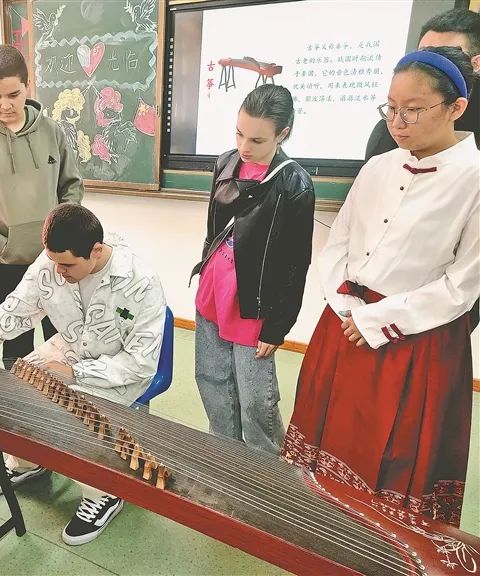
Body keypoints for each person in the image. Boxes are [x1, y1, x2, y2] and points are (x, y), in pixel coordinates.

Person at [283, 47, 479, 528]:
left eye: (413, 109)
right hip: (344, 324)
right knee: (329, 437)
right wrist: (347, 304)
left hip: (415, 339)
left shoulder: (474, 179)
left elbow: (464, 284)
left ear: (456, 107)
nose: (398, 120)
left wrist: (376, 320)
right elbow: (339, 244)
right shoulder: (378, 167)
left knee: (395, 454)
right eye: (390, 107)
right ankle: (324, 531)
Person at [0, 204, 167, 546]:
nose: (58, 271)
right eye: (54, 262)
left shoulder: (139, 282)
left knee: (71, 412)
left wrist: (74, 371)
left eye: (67, 265)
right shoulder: (51, 263)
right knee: (20, 386)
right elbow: (18, 306)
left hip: (116, 369)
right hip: (69, 347)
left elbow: (141, 363)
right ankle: (28, 463)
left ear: (96, 251)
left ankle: (104, 493)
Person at [190, 84, 315, 454]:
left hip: (255, 305)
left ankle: (266, 477)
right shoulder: (225, 161)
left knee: (255, 400)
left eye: (258, 140)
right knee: (212, 383)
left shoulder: (295, 183)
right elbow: (213, 228)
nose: (245, 146)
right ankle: (226, 463)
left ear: (283, 133)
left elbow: (297, 262)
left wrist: (279, 327)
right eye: (240, 133)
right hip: (214, 292)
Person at [0, 44, 84, 360]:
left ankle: (59, 404)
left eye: (13, 94)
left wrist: (66, 238)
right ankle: (18, 406)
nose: (5, 104)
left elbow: (71, 186)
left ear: (27, 86)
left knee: (62, 335)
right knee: (15, 338)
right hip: (4, 261)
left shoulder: (51, 131)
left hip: (55, 258)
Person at [365, 8, 480, 159]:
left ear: (476, 63)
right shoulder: (388, 134)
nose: (429, 66)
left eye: (446, 57)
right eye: (422, 56)